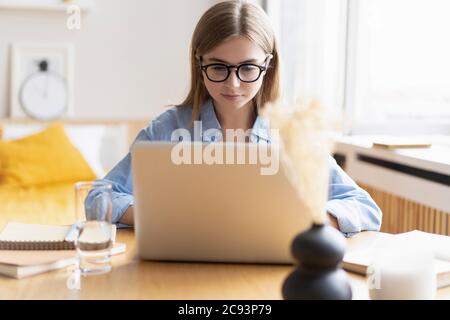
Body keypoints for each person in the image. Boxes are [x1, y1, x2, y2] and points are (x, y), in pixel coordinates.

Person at [88, 0, 381, 237]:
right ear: (198, 62)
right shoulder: (168, 129)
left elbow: (365, 207)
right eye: (218, 67)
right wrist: (161, 217)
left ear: (268, 65)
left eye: (248, 68)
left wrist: (307, 222)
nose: (234, 84)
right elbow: (98, 198)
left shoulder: (292, 134)